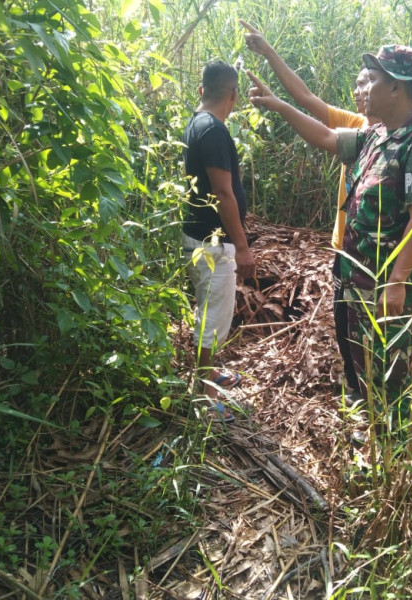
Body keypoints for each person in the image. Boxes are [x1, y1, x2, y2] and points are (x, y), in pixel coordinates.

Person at [247, 45, 412, 433]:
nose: (364, 87)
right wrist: (279, 106)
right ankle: (373, 444)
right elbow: (324, 135)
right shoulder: (374, 136)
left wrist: (397, 281)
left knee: (391, 378)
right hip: (359, 279)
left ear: (397, 88)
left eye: (372, 79)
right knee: (363, 366)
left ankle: (393, 454)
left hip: (389, 285)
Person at [241, 19, 380, 403]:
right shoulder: (356, 125)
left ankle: (372, 398)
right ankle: (357, 392)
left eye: (367, 81)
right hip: (344, 247)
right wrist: (268, 52)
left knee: (371, 330)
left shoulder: (392, 138)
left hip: (376, 258)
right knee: (344, 324)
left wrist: (277, 101)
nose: (359, 90)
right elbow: (306, 98)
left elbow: (314, 126)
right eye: (356, 82)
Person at [182, 60, 255, 422]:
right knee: (213, 319)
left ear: (201, 91)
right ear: (233, 95)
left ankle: (208, 375)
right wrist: (241, 247)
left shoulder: (198, 123)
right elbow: (223, 193)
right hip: (213, 243)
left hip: (201, 238)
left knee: (209, 312)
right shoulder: (213, 129)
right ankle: (208, 403)